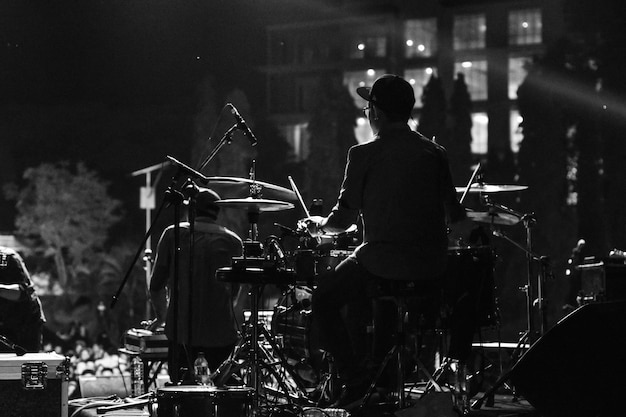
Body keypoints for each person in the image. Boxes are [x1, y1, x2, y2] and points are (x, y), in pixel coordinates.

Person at [301, 74, 467, 406]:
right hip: (432, 267)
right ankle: (383, 371)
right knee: (377, 283)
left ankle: (355, 378)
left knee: (324, 298)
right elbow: (456, 216)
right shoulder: (435, 153)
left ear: (375, 112)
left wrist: (319, 225)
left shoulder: (363, 154)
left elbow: (343, 220)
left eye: (368, 106)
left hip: (383, 262)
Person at [149, 187, 243, 383]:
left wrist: (162, 317)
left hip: (181, 332)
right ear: (217, 212)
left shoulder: (172, 234)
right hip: (222, 334)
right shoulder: (233, 241)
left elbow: (156, 284)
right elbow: (235, 292)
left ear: (191, 209)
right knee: (224, 391)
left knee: (181, 393)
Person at [0, 247, 46, 353]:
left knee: (25, 364)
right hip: (3, 325)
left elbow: (22, 292)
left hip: (24, 325)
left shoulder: (8, 258)